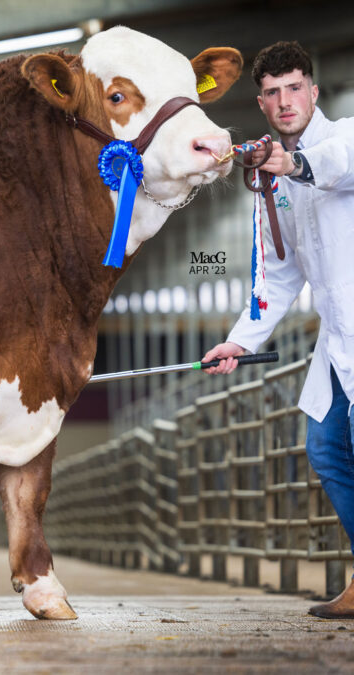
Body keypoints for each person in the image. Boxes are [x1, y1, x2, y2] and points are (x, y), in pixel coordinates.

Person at [203, 40, 354, 619]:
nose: (285, 101)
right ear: (261, 105)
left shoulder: (342, 139)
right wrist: (241, 341)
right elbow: (278, 276)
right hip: (337, 339)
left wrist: (291, 164)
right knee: (326, 447)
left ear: (313, 92)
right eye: (272, 93)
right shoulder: (271, 184)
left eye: (295, 88)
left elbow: (337, 165)